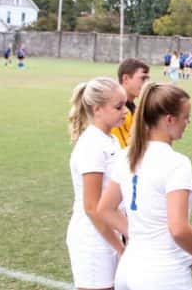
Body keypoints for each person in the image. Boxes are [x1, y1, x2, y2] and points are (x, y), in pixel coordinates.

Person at [97, 82, 192, 290]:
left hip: (129, 267)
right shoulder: (177, 163)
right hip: (164, 273)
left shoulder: (127, 156)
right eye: (186, 117)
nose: (187, 122)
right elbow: (178, 228)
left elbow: (105, 209)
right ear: (169, 119)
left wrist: (139, 234)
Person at [66, 77, 128, 290]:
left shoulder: (110, 140)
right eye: (118, 107)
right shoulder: (92, 145)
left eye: (125, 105)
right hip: (93, 240)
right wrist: (120, 247)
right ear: (97, 109)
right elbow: (92, 207)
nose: (125, 111)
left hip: (109, 233)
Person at [111, 58, 150, 149]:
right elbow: (125, 151)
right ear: (126, 79)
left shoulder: (133, 108)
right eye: (143, 79)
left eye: (147, 79)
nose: (146, 84)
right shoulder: (116, 112)